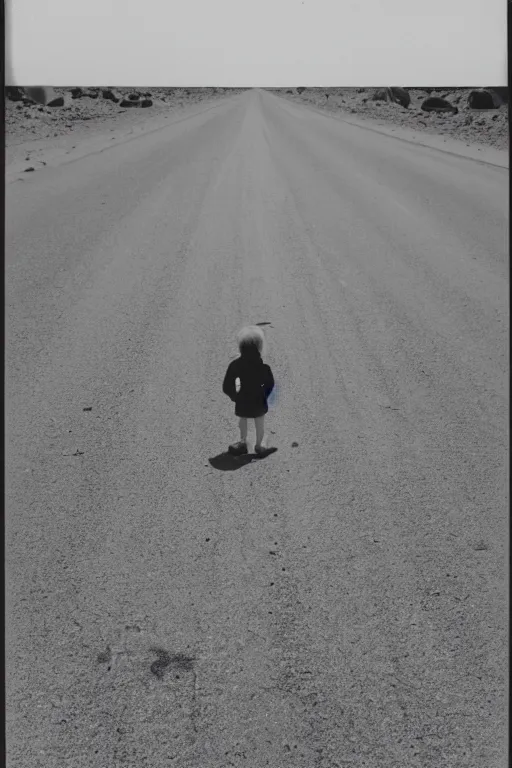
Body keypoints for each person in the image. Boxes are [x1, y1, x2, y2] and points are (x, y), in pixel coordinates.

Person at [222, 325, 275, 456]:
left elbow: (227, 385)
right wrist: (264, 395)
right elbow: (270, 384)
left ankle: (242, 442)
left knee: (242, 420)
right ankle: (259, 444)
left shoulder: (235, 365)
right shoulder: (264, 368)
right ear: (260, 347)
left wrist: (235, 396)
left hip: (242, 400)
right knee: (259, 421)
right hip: (259, 401)